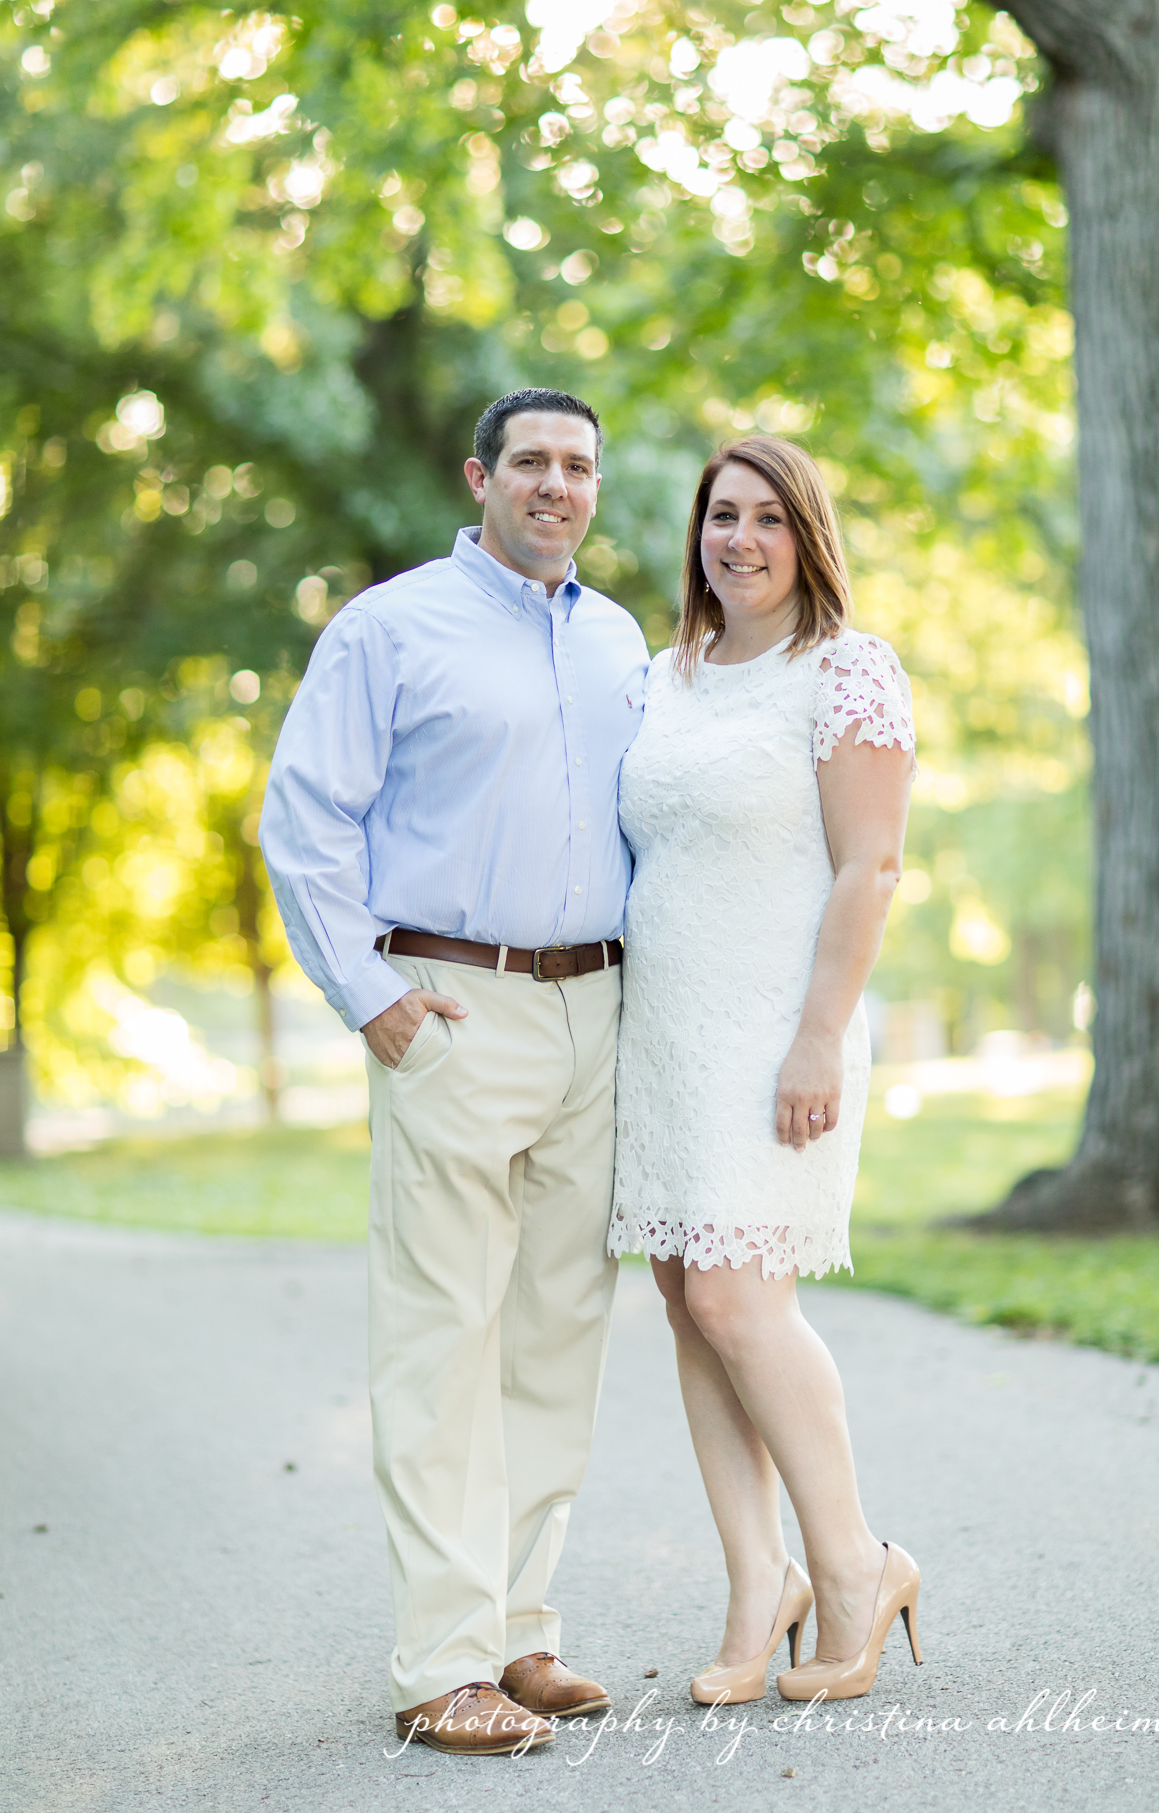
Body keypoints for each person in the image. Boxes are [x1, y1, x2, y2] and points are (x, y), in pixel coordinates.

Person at [260, 389, 649, 1756]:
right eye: (532, 462)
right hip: (451, 1007)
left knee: (557, 1335)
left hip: (596, 1011)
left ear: (597, 488)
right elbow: (305, 819)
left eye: (579, 466)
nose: (556, 484)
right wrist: (376, 1003)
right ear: (482, 477)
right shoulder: (390, 626)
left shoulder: (618, 642)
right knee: (443, 1337)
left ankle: (520, 1634)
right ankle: (440, 1660)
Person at [608, 435, 922, 1707]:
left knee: (743, 1302)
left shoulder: (846, 671)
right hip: (666, 1034)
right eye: (719, 515)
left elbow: (870, 867)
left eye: (766, 518)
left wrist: (814, 1035)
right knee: (688, 1302)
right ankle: (758, 1581)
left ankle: (854, 1566)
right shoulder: (663, 676)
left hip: (779, 1031)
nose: (737, 539)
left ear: (807, 537)